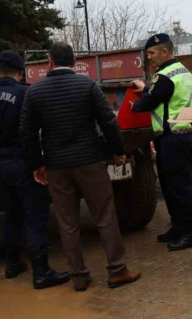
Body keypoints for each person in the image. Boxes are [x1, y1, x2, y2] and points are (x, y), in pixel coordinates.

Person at [20, 42, 140, 291]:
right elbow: (108, 122)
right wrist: (118, 151)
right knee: (105, 216)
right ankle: (117, 271)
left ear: (49, 63)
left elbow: (27, 134)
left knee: (67, 223)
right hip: (90, 162)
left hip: (57, 166)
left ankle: (79, 277)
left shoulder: (35, 92)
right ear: (74, 62)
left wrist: (38, 165)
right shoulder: (88, 85)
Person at [0, 51, 69, 289]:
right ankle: (41, 272)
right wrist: (39, 164)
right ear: (21, 71)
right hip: (24, 163)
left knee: (11, 215)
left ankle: (12, 264)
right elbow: (37, 129)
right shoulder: (27, 93)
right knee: (36, 216)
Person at [131, 33, 192, 251]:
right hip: (183, 135)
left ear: (164, 52)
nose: (149, 58)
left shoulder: (165, 75)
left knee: (178, 188)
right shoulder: (182, 71)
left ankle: (190, 233)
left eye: (151, 53)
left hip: (173, 138)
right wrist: (146, 88)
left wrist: (134, 106)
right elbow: (164, 94)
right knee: (176, 186)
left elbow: (152, 99)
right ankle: (179, 227)